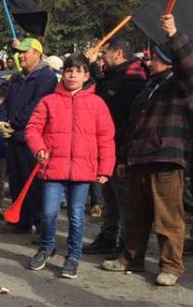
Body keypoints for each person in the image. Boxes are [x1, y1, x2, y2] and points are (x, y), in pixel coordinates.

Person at [102, 14, 192, 286]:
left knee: (168, 217)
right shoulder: (148, 86)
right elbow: (133, 125)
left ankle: (170, 266)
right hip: (138, 158)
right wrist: (124, 158)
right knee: (136, 215)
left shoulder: (180, 84)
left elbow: (188, 66)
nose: (147, 61)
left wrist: (174, 35)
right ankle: (131, 258)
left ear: (166, 59)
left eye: (153, 57)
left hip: (166, 157)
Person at [25, 54, 115, 279]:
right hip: (53, 167)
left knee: (76, 215)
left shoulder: (97, 104)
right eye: (68, 70)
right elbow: (32, 129)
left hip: (83, 171)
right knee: (48, 213)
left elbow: (106, 137)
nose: (73, 74)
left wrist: (105, 168)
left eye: (78, 71)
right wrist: (38, 149)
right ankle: (47, 247)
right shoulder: (48, 101)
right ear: (62, 74)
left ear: (86, 76)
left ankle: (73, 256)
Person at [82, 37, 148, 256]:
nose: (103, 57)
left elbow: (121, 111)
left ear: (118, 54)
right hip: (106, 145)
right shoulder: (115, 75)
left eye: (105, 53)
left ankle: (126, 243)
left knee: (124, 199)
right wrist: (91, 66)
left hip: (122, 145)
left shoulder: (133, 77)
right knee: (109, 195)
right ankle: (108, 236)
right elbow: (102, 85)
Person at [0, 38, 59, 234]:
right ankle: (20, 221)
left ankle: (41, 228)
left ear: (37, 54)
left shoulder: (46, 77)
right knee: (16, 181)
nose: (20, 56)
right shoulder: (17, 77)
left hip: (31, 139)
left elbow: (36, 107)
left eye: (25, 52)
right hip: (13, 138)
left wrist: (13, 123)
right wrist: (1, 120)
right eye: (20, 52)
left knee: (34, 186)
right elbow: (6, 103)